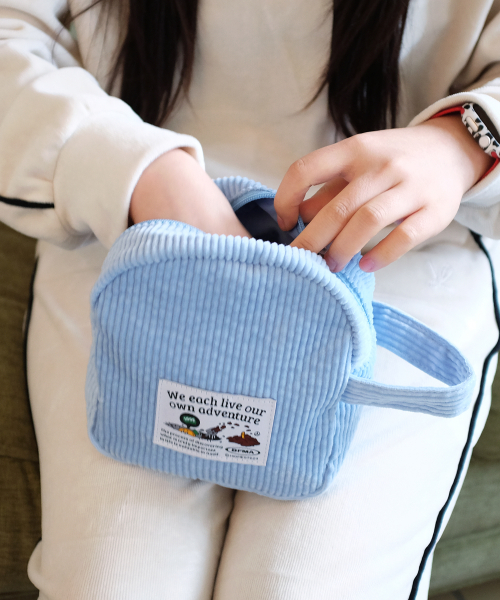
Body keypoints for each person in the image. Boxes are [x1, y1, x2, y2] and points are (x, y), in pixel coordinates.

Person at [1, 0, 500, 598]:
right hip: (129, 220)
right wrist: (140, 170)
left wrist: (463, 143)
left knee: (302, 587)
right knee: (111, 584)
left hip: (394, 247)